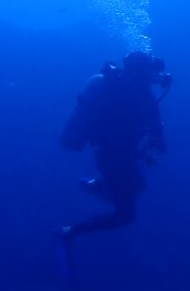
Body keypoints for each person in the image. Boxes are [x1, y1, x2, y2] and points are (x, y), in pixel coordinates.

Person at [54, 50, 172, 274]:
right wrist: (154, 144)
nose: (157, 75)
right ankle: (68, 232)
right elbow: (152, 135)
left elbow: (133, 131)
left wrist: (146, 148)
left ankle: (93, 185)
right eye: (152, 70)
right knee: (125, 215)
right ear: (141, 71)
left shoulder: (134, 92)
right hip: (114, 158)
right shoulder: (137, 95)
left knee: (139, 186)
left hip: (115, 155)